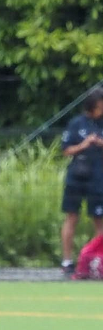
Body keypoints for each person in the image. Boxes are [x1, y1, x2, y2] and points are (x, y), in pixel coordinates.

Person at [59, 89, 103, 275]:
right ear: (93, 105)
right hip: (76, 177)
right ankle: (67, 261)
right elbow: (65, 150)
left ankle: (95, 261)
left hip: (99, 177)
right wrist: (84, 144)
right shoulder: (76, 124)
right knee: (71, 217)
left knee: (99, 221)